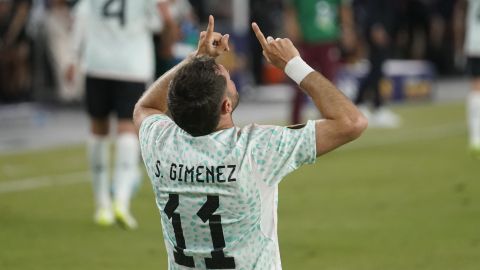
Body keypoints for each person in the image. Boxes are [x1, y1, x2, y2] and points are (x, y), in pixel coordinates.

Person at [134, 15, 367, 269]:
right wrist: (294, 64)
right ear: (226, 105)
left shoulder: (161, 143)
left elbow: (146, 106)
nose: (231, 78)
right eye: (229, 80)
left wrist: (195, 60)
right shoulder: (257, 148)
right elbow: (352, 121)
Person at [67, 0, 169, 229]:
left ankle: (102, 203)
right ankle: (121, 202)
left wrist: (73, 58)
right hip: (132, 67)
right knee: (127, 131)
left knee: (98, 129)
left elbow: (81, 18)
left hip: (97, 63)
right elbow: (159, 22)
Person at [284, 0, 355, 124]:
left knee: (329, 84)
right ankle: (295, 122)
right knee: (300, 82)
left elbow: (343, 9)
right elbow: (291, 11)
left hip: (328, 39)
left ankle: (330, 120)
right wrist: (292, 30)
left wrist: (347, 30)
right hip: (306, 40)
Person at [353, 0, 401, 127]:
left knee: (376, 70)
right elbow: (373, 6)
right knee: (377, 70)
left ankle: (361, 104)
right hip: (377, 29)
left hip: (383, 27)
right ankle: (375, 107)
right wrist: (376, 26)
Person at [454, 0, 480, 157]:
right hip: (474, 41)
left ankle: (475, 136)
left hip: (474, 42)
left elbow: (459, 12)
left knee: (476, 88)